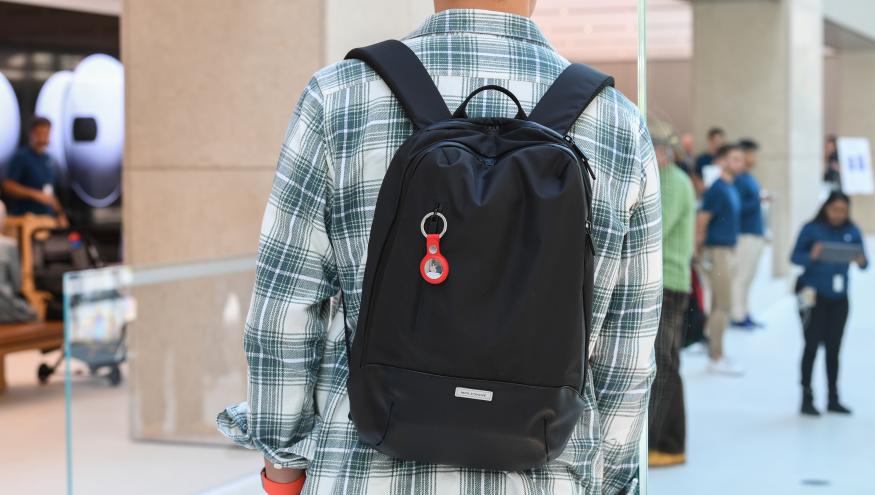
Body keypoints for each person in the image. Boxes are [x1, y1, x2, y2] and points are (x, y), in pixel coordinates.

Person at [216, 2, 662, 494]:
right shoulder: (619, 124)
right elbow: (629, 351)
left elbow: (283, 310)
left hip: (365, 467)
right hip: (546, 472)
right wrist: (613, 479)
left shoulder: (340, 95)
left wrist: (283, 466)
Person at [791, 192, 867, 416]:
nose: (838, 215)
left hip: (839, 296)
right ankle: (806, 397)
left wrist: (860, 260)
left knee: (834, 348)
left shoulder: (851, 231)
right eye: (834, 209)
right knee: (811, 345)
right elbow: (794, 257)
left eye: (843, 211)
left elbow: (865, 264)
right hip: (811, 294)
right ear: (826, 208)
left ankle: (833, 397)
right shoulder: (811, 229)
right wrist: (812, 255)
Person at [647, 126, 695, 467]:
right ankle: (661, 440)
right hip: (666, 282)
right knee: (663, 362)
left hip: (669, 282)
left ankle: (667, 442)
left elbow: (655, 229)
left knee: (664, 363)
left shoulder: (672, 182)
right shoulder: (669, 179)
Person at [696, 144, 745, 375]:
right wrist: (698, 250)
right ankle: (716, 356)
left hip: (728, 249)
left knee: (719, 304)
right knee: (723, 305)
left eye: (741, 159)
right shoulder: (717, 188)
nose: (740, 163)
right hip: (717, 251)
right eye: (735, 159)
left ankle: (718, 352)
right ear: (724, 161)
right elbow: (703, 219)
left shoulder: (730, 187)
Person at [2, 116, 67, 224]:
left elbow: (50, 194)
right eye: (39, 134)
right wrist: (35, 194)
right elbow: (8, 186)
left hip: (47, 219)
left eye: (46, 134)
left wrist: (60, 213)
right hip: (26, 218)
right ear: (31, 134)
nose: (43, 139)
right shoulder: (21, 157)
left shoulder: (48, 159)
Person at [730, 139, 766, 329]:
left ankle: (744, 311)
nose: (754, 158)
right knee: (741, 277)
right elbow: (736, 208)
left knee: (749, 276)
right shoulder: (740, 180)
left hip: (755, 233)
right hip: (744, 235)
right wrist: (758, 201)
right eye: (752, 154)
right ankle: (737, 315)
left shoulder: (749, 178)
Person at [692, 127, 726, 196]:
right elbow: (696, 177)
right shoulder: (702, 159)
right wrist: (700, 186)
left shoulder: (725, 159)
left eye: (720, 142)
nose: (718, 145)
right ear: (709, 141)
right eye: (716, 142)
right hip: (706, 194)